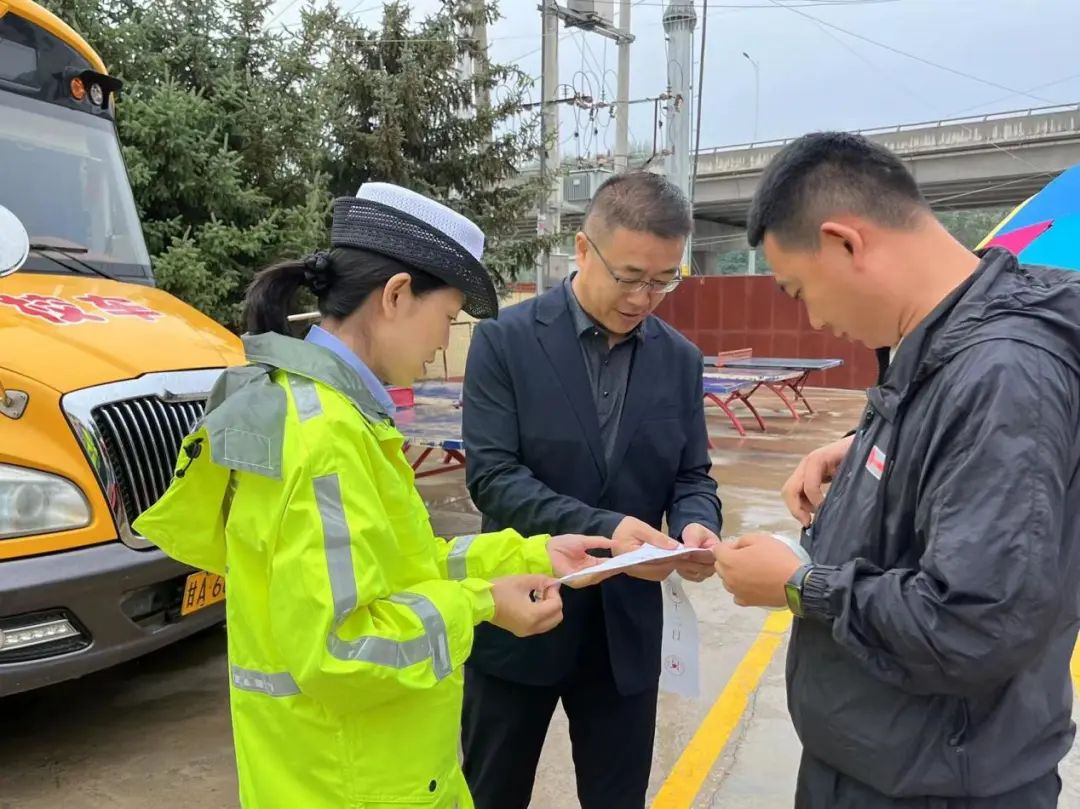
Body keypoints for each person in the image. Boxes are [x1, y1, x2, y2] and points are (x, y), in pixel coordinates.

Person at [131, 182, 625, 809]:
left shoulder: (331, 415)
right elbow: (341, 649)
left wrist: (532, 556)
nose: (445, 343)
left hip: (367, 772)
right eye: (447, 318)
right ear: (396, 296)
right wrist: (479, 605)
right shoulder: (325, 438)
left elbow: (397, 567)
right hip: (351, 785)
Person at [713, 131, 1080, 808]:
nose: (815, 320)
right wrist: (867, 445)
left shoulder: (1004, 374)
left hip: (938, 783)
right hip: (883, 760)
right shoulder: (942, 345)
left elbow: (974, 624)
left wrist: (800, 585)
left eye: (800, 290)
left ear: (845, 243)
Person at [459, 170, 723, 809]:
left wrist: (695, 524)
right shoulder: (505, 342)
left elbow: (692, 473)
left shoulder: (679, 359)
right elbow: (493, 479)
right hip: (523, 612)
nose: (644, 298)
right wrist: (607, 528)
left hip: (624, 632)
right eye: (631, 276)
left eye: (664, 280)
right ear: (583, 250)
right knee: (491, 793)